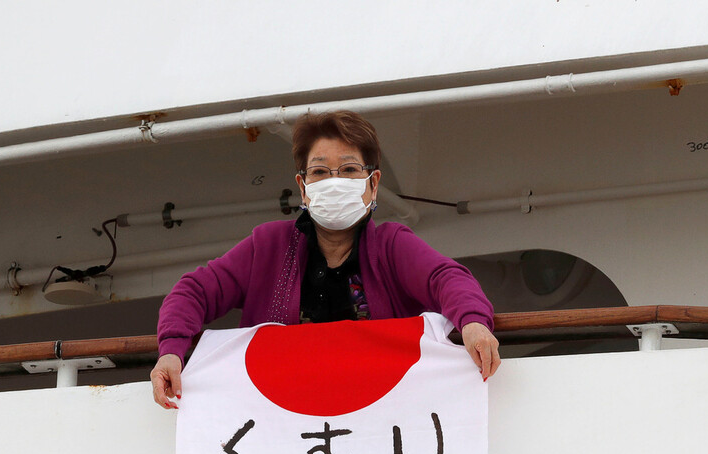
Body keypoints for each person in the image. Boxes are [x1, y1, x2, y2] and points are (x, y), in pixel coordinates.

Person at [151, 110, 499, 409]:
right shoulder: (267, 246)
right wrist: (171, 351)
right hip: (283, 424)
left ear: (373, 184)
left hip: (381, 416)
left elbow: (447, 278)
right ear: (303, 188)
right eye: (319, 172)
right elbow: (193, 292)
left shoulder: (392, 245)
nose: (334, 183)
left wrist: (472, 322)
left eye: (349, 170)